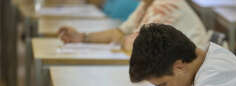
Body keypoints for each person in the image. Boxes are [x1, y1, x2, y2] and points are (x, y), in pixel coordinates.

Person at [58, 0, 209, 51]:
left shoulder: (167, 4)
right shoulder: (146, 4)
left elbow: (137, 46)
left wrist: (124, 38)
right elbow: (119, 32)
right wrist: (82, 37)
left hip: (192, 83)